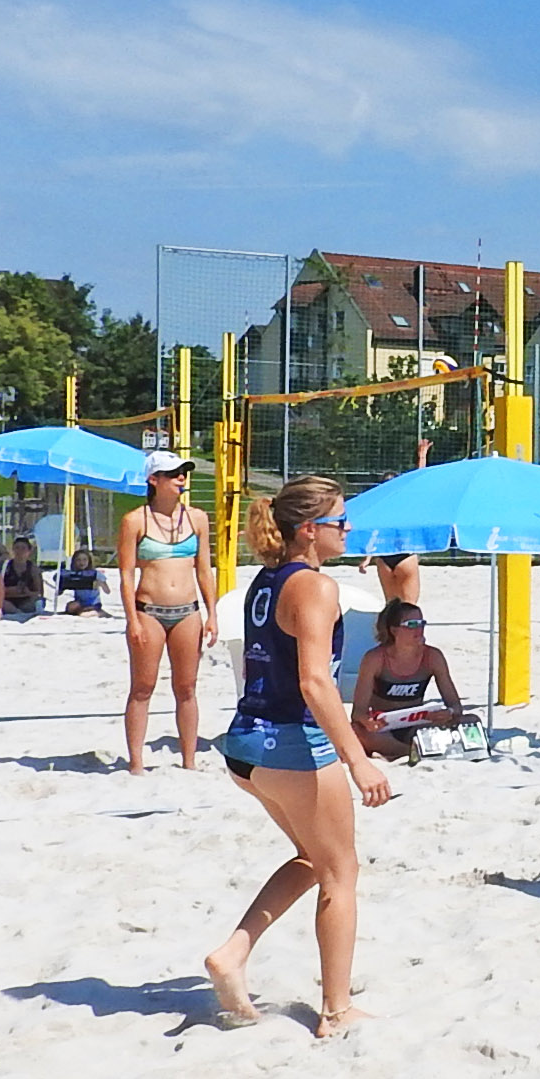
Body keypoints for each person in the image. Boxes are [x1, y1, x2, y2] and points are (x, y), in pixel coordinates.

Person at [204, 475, 391, 1035]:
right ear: (309, 529)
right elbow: (314, 681)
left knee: (313, 859)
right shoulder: (315, 586)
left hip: (245, 744)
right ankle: (336, 1010)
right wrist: (357, 758)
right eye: (340, 521)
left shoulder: (266, 580)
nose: (348, 530)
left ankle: (233, 953)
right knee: (341, 872)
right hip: (291, 745)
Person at [115, 451, 220, 773]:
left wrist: (212, 614)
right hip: (149, 611)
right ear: (153, 480)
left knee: (186, 688)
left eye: (183, 472)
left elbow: (204, 570)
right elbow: (126, 574)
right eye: (173, 473)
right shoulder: (135, 520)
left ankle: (189, 761)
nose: (181, 478)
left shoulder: (197, 518)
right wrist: (132, 619)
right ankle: (136, 763)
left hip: (188, 611)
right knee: (142, 687)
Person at [348, 600, 471, 760]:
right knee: (356, 731)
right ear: (394, 630)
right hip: (384, 728)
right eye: (411, 624)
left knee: (471, 721)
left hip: (418, 725)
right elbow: (358, 712)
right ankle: (410, 751)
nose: (419, 629)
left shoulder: (432, 657)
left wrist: (448, 712)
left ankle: (412, 750)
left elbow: (455, 705)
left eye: (421, 623)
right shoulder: (375, 659)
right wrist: (368, 722)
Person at [357, 437, 430, 605]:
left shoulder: (378, 508)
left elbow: (374, 534)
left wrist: (367, 559)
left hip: (383, 557)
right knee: (409, 607)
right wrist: (422, 456)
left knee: (390, 607)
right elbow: (420, 481)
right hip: (405, 555)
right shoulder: (406, 503)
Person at [56, 548, 111, 616]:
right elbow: (59, 592)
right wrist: (61, 585)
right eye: (78, 560)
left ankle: (99, 613)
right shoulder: (73, 575)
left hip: (93, 603)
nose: (81, 562)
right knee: (71, 606)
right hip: (80, 603)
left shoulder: (96, 574)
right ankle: (84, 611)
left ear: (89, 561)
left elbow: (108, 591)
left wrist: (101, 583)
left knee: (85, 614)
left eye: (84, 560)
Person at [1, 536, 44, 615]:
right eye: (17, 548)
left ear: (29, 551)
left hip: (26, 599)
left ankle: (18, 612)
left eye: (23, 548)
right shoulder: (5, 566)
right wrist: (10, 590)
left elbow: (39, 592)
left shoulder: (33, 568)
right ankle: (17, 612)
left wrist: (27, 592)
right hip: (8, 599)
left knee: (37, 601)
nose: (19, 551)